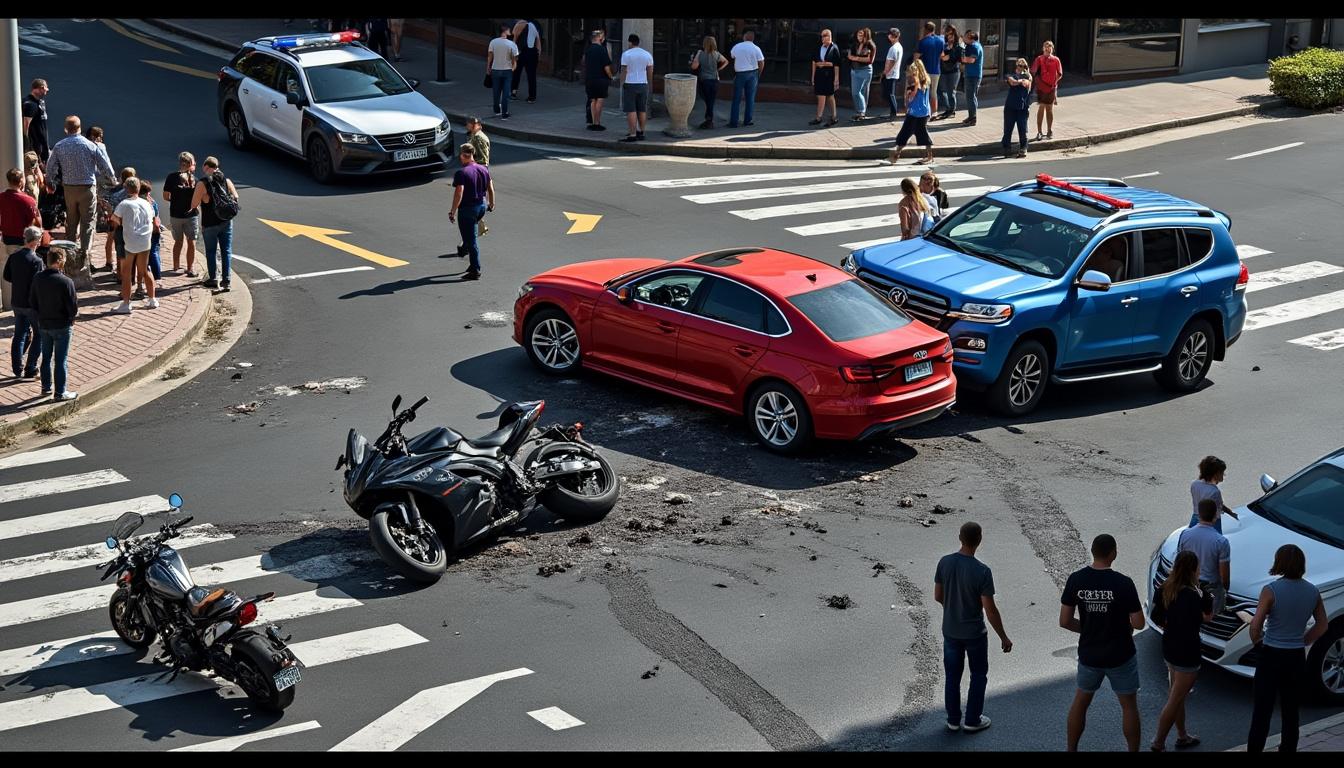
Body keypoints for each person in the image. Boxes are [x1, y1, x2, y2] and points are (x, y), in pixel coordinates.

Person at [1060, 533, 1146, 752]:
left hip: (1090, 654)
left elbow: (1065, 621)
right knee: (1128, 706)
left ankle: (1072, 749)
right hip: (1121, 655)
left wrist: (1087, 628)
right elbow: (1138, 623)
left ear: (1093, 552)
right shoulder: (1123, 583)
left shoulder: (1076, 579)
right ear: (1113, 554)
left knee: (1080, 703)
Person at [1247, 544, 1329, 753]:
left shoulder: (1271, 590)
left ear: (1279, 562)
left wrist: (1258, 643)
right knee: (1291, 711)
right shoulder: (1312, 591)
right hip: (1295, 657)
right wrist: (1303, 641)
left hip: (1271, 654)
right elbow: (1322, 625)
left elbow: (1256, 625)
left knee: (1262, 713)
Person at [934, 521, 1012, 733]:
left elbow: (938, 596)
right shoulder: (982, 571)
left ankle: (952, 719)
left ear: (960, 537)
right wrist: (1004, 637)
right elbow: (990, 609)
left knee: (952, 676)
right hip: (975, 633)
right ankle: (972, 719)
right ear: (979, 540)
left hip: (950, 630)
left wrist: (953, 608)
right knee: (978, 674)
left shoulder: (944, 563)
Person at [1149, 550, 1214, 752]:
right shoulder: (1196, 595)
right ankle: (1158, 742)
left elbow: (1158, 618)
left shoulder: (1164, 589)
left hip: (1169, 648)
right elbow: (1206, 618)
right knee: (1175, 699)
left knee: (1177, 695)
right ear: (1194, 570)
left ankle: (1182, 735)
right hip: (1188, 652)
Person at [44, 115, 115, 263]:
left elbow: (51, 167)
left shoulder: (59, 146)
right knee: (87, 223)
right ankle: (84, 257)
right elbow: (104, 164)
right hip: (87, 188)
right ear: (80, 128)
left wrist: (50, 182)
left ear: (65, 129)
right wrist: (113, 180)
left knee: (71, 220)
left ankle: (70, 254)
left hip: (69, 188)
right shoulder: (90, 145)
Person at [28, 245, 79, 401]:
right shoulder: (66, 282)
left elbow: (33, 301)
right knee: (60, 360)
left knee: (46, 357)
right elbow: (72, 307)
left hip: (44, 324)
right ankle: (60, 392)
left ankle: (46, 387)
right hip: (62, 325)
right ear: (61, 261)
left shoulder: (38, 278)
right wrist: (71, 318)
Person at [190, 157, 239, 292]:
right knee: (226, 251)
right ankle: (226, 281)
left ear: (206, 167)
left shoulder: (202, 183)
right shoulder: (226, 180)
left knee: (211, 252)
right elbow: (235, 197)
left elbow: (194, 204)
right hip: (226, 221)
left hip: (210, 223)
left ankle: (213, 279)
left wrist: (204, 200)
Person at [109, 177, 157, 313]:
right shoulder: (147, 203)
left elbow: (115, 220)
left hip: (130, 242)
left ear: (126, 189)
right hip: (145, 241)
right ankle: (152, 299)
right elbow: (152, 218)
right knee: (144, 270)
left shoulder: (124, 204)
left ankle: (126, 303)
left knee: (127, 273)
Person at [447, 144, 494, 281]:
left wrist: (452, 211)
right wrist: (492, 203)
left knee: (471, 240)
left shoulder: (462, 173)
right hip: (482, 206)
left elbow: (459, 193)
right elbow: (490, 188)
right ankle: (466, 250)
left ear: (463, 155)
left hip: (468, 209)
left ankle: (475, 269)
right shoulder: (483, 169)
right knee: (471, 233)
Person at [1180, 498, 1232, 617]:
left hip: (1188, 585)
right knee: (1210, 618)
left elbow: (1179, 561)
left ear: (1198, 514)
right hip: (1211, 590)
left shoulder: (1185, 534)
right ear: (1215, 515)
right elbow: (1224, 577)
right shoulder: (1221, 542)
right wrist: (1225, 591)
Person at [5, 226, 44, 378]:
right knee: (39, 334)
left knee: (19, 334)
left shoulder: (14, 256)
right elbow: (39, 284)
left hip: (17, 301)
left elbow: (7, 276)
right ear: (34, 241)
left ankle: (17, 368)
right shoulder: (37, 260)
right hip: (31, 304)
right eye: (39, 239)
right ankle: (31, 367)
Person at [1, 167, 42, 313]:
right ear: (21, 182)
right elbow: (37, 222)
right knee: (24, 276)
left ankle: (8, 303)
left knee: (6, 271)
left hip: (5, 239)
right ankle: (21, 307)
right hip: (21, 242)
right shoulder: (27, 200)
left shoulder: (1, 198)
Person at [163, 152, 199, 277]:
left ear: (180, 163)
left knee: (178, 241)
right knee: (191, 241)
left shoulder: (171, 177)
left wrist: (176, 200)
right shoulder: (195, 180)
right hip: (191, 215)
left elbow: (165, 196)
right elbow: (198, 199)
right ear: (191, 164)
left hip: (175, 214)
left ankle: (176, 266)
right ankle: (190, 268)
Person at [891, 60, 933, 165]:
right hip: (924, 111)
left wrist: (907, 98)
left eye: (911, 72)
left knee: (905, 133)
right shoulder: (926, 79)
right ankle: (929, 156)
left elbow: (911, 97)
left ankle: (896, 154)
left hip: (915, 112)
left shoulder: (915, 81)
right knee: (921, 133)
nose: (909, 75)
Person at [619, 34, 654, 143]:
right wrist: (649, 83)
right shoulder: (647, 54)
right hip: (643, 84)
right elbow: (650, 71)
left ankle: (632, 133)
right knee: (642, 109)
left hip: (630, 83)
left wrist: (621, 83)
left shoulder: (626, 54)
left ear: (630, 42)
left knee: (631, 110)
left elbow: (624, 70)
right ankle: (641, 131)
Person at [1189, 455, 1238, 532]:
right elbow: (1219, 506)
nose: (1224, 475)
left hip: (1195, 518)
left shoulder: (1194, 484)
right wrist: (1231, 513)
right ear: (1215, 474)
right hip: (1212, 522)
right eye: (1222, 473)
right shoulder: (1214, 491)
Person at [728, 29, 766, 128]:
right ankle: (747, 120)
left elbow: (733, 56)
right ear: (753, 38)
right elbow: (761, 62)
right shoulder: (756, 48)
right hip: (753, 73)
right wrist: (758, 74)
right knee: (750, 99)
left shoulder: (737, 46)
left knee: (736, 98)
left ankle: (733, 122)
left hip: (740, 74)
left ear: (744, 37)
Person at [690, 35, 728, 129]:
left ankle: (709, 120)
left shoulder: (701, 53)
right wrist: (718, 69)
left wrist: (696, 56)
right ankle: (709, 120)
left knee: (708, 100)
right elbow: (726, 61)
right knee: (711, 101)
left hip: (704, 80)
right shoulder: (717, 54)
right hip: (715, 80)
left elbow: (694, 67)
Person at [1030, 41, 1062, 140]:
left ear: (1052, 49)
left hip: (1051, 88)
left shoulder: (1056, 60)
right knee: (1041, 108)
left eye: (1049, 47)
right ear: (1043, 48)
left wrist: (1054, 83)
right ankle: (1039, 132)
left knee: (1049, 109)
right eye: (1046, 47)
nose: (1047, 49)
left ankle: (1049, 130)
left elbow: (1060, 74)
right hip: (1041, 88)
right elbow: (1033, 71)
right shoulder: (1039, 59)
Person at [809, 30, 841, 127]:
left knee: (829, 96)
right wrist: (813, 76)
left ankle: (833, 117)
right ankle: (819, 117)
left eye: (825, 36)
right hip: (819, 75)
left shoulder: (834, 48)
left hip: (829, 76)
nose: (823, 38)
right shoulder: (819, 47)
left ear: (830, 36)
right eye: (822, 36)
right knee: (821, 96)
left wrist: (836, 79)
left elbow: (836, 65)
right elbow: (814, 62)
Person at [584, 29, 614, 131]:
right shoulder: (602, 50)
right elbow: (606, 67)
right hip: (601, 79)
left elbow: (584, 62)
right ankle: (597, 122)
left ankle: (592, 122)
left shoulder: (588, 50)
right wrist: (610, 76)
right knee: (600, 100)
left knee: (592, 100)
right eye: (601, 36)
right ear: (598, 38)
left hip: (590, 78)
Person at [487, 24, 519, 119]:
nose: (510, 32)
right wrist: (513, 67)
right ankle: (504, 113)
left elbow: (490, 56)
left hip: (495, 69)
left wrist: (488, 67)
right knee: (506, 92)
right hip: (507, 70)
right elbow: (515, 58)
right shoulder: (512, 44)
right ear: (505, 31)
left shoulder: (493, 42)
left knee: (496, 91)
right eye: (509, 30)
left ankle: (496, 109)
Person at [1002, 58, 1032, 159]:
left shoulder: (1028, 76)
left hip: (1022, 108)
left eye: (1024, 67)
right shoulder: (1010, 74)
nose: (1021, 68)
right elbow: (1012, 82)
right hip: (1010, 106)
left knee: (1022, 129)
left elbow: (1027, 83)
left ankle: (1023, 148)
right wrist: (1020, 81)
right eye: (1019, 66)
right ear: (1016, 67)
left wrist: (1022, 80)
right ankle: (1007, 148)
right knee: (1008, 129)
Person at [934, 25, 964, 121]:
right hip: (943, 70)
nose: (949, 36)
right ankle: (948, 108)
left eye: (950, 34)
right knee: (940, 90)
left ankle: (952, 110)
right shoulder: (945, 44)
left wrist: (948, 56)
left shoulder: (958, 45)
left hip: (953, 71)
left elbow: (952, 57)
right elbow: (941, 56)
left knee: (951, 92)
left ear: (954, 33)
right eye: (947, 34)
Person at [847, 28, 876, 121]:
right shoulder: (855, 44)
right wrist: (856, 58)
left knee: (860, 92)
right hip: (855, 70)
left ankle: (862, 112)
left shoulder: (870, 45)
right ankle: (860, 112)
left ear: (866, 36)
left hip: (865, 70)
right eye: (858, 35)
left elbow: (869, 60)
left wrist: (855, 58)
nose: (859, 37)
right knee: (856, 92)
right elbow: (849, 55)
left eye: (861, 35)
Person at [511, 18, 542, 103]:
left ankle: (513, 93)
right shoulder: (535, 26)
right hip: (533, 53)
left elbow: (515, 39)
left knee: (516, 73)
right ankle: (532, 97)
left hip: (522, 52)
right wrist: (538, 55)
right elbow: (538, 42)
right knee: (531, 75)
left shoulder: (520, 24)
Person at [917, 22, 943, 117]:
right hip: (936, 70)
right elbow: (942, 55)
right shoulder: (940, 41)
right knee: (934, 92)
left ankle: (925, 111)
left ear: (925, 29)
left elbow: (917, 56)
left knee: (924, 91)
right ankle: (934, 112)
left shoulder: (923, 42)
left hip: (925, 71)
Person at [22, 79, 50, 163]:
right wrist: (27, 145)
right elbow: (25, 126)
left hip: (43, 144)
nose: (47, 91)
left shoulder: (40, 102)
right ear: (41, 88)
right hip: (35, 146)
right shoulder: (30, 104)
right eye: (46, 89)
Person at [961, 30, 984, 126]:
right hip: (970, 74)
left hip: (973, 75)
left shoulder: (975, 47)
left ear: (970, 37)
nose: (964, 38)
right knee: (969, 96)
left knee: (971, 96)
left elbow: (971, 60)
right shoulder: (971, 46)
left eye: (965, 37)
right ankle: (971, 116)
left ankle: (973, 118)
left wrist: (961, 57)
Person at [882, 28, 904, 120]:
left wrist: (885, 72)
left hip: (890, 74)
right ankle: (893, 112)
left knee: (890, 94)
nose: (889, 37)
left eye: (891, 35)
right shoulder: (899, 46)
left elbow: (891, 61)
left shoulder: (893, 48)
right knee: (890, 94)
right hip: (894, 73)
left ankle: (893, 113)